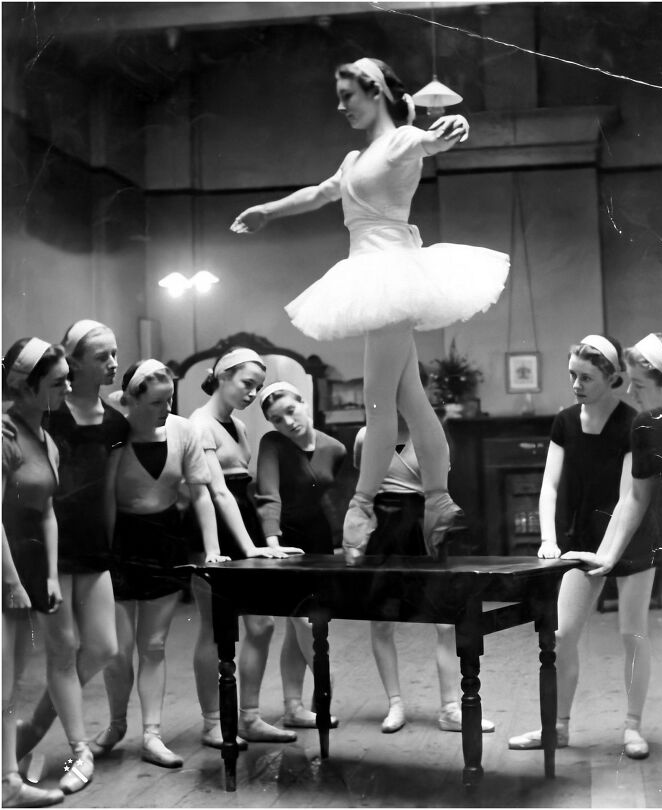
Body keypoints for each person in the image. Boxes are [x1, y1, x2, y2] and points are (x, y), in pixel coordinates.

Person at [232, 57, 508, 561]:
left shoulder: (402, 140)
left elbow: (435, 140)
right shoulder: (353, 160)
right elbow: (321, 192)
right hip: (371, 273)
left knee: (379, 404)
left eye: (348, 96)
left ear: (376, 89)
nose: (340, 107)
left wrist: (455, 127)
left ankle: (362, 506)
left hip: (390, 273)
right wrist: (268, 211)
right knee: (409, 400)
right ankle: (438, 500)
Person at [508, 335, 656, 759]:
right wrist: (549, 538)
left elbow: (632, 496)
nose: (575, 383)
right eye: (572, 374)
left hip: (631, 539)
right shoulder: (565, 421)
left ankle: (632, 727)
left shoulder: (635, 424)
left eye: (586, 377)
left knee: (633, 633)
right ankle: (558, 726)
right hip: (582, 537)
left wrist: (611, 555)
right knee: (561, 635)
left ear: (613, 380)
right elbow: (549, 486)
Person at [557, 333, 662, 761]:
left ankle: (635, 726)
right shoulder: (645, 425)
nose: (631, 392)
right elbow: (634, 498)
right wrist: (607, 557)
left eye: (639, 384)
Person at [92, 360, 222, 768]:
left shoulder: (183, 430)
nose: (165, 408)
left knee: (154, 645)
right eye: (155, 402)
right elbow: (106, 498)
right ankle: (115, 725)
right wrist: (104, 552)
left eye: (169, 399)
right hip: (119, 541)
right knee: (116, 649)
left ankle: (152, 734)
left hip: (164, 540)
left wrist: (213, 547)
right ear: (130, 401)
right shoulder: (114, 433)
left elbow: (201, 493)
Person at [353, 364, 495, 735]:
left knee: (445, 622)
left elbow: (441, 486)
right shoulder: (365, 436)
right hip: (382, 535)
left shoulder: (431, 433)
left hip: (423, 530)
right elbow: (363, 485)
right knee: (381, 623)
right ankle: (395, 703)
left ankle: (450, 707)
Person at [16, 320, 125, 785]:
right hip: (50, 549)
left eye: (115, 355)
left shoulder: (116, 423)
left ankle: (34, 728)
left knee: (102, 646)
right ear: (73, 362)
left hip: (93, 547)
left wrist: (111, 543)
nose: (114, 364)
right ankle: (79, 752)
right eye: (102, 357)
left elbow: (111, 493)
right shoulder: (47, 416)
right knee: (63, 650)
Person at [188, 349, 303, 748]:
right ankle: (212, 722)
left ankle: (249, 717)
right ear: (222, 376)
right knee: (216, 629)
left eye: (257, 386)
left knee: (261, 624)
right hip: (214, 532)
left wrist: (263, 541)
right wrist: (251, 546)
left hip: (244, 522)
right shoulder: (199, 424)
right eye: (246, 383)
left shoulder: (237, 425)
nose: (252, 393)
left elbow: (244, 488)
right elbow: (217, 491)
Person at [2, 337, 70, 806]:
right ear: (26, 387)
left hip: (26, 570)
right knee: (4, 682)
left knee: (11, 682)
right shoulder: (3, 435)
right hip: (4, 569)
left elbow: (46, 510)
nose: (66, 390)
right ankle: (9, 785)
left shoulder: (44, 437)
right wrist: (12, 583)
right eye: (58, 383)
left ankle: (7, 779)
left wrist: (47, 575)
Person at [257, 381, 346, 728]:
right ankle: (325, 683)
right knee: (303, 620)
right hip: (283, 539)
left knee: (299, 626)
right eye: (277, 419)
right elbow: (269, 492)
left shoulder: (335, 448)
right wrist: (272, 539)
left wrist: (343, 542)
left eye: (291, 412)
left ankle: (293, 707)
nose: (287, 423)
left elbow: (333, 496)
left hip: (319, 539)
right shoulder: (273, 444)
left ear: (304, 403)